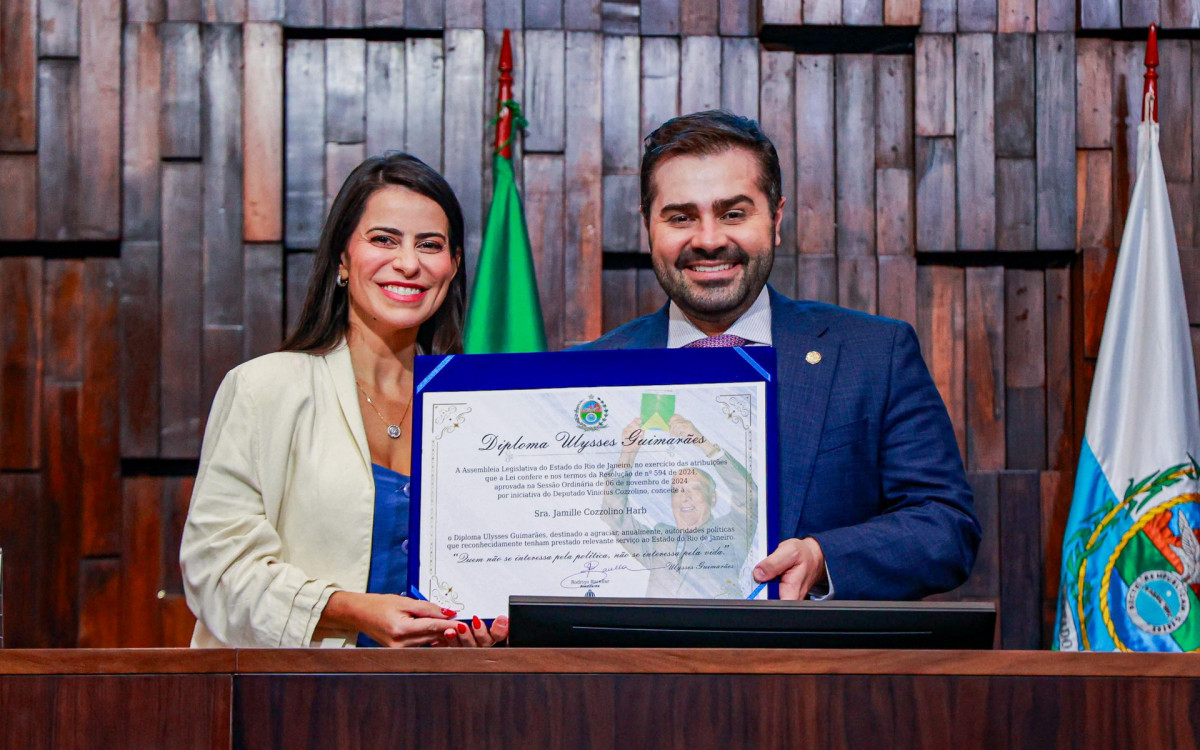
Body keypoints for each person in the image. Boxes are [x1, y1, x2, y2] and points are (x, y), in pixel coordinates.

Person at [576, 111, 981, 600]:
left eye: (733, 213)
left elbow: (945, 527)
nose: (708, 240)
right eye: (680, 217)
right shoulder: (584, 376)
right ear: (648, 225)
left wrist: (825, 558)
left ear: (776, 219)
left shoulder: (875, 356)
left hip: (808, 650)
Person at [180, 153, 508, 648]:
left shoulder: (482, 412)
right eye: (384, 239)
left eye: (430, 245)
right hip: (297, 689)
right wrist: (348, 609)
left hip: (442, 689)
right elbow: (217, 572)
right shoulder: (264, 389)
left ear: (453, 265)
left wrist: (479, 632)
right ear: (342, 258)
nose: (409, 263)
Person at [601, 415, 758, 598]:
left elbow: (749, 496)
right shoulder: (659, 540)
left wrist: (702, 443)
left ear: (713, 498)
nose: (685, 497)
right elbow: (615, 517)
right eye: (677, 490)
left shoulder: (732, 532)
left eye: (695, 489)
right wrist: (628, 454)